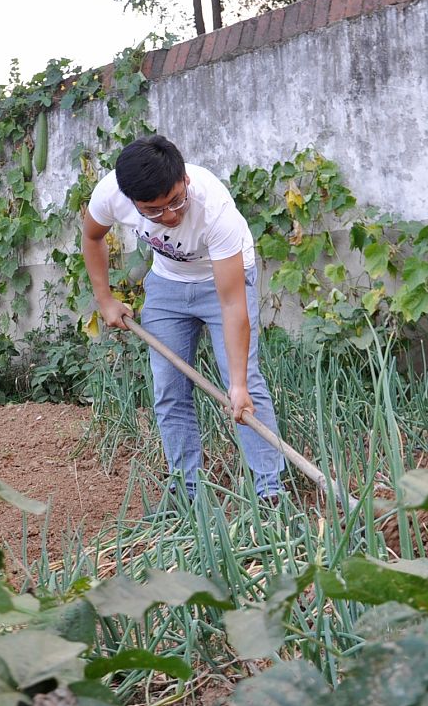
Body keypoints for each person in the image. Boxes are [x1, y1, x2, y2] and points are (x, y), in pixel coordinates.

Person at [80, 134, 286, 501]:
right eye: (154, 211)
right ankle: (187, 491)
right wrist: (105, 299)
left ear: (185, 180)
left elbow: (233, 304)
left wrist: (235, 385)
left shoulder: (216, 209)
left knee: (247, 387)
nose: (170, 216)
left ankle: (270, 491)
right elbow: (92, 236)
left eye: (176, 201)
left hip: (222, 283)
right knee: (170, 390)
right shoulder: (111, 194)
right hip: (167, 286)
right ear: (131, 201)